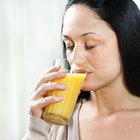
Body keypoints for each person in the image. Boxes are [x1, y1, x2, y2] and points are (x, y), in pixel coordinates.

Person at [22, 0, 140, 139]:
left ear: (126, 41)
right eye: (70, 45)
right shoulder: (55, 120)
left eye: (90, 45)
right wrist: (35, 131)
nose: (75, 59)